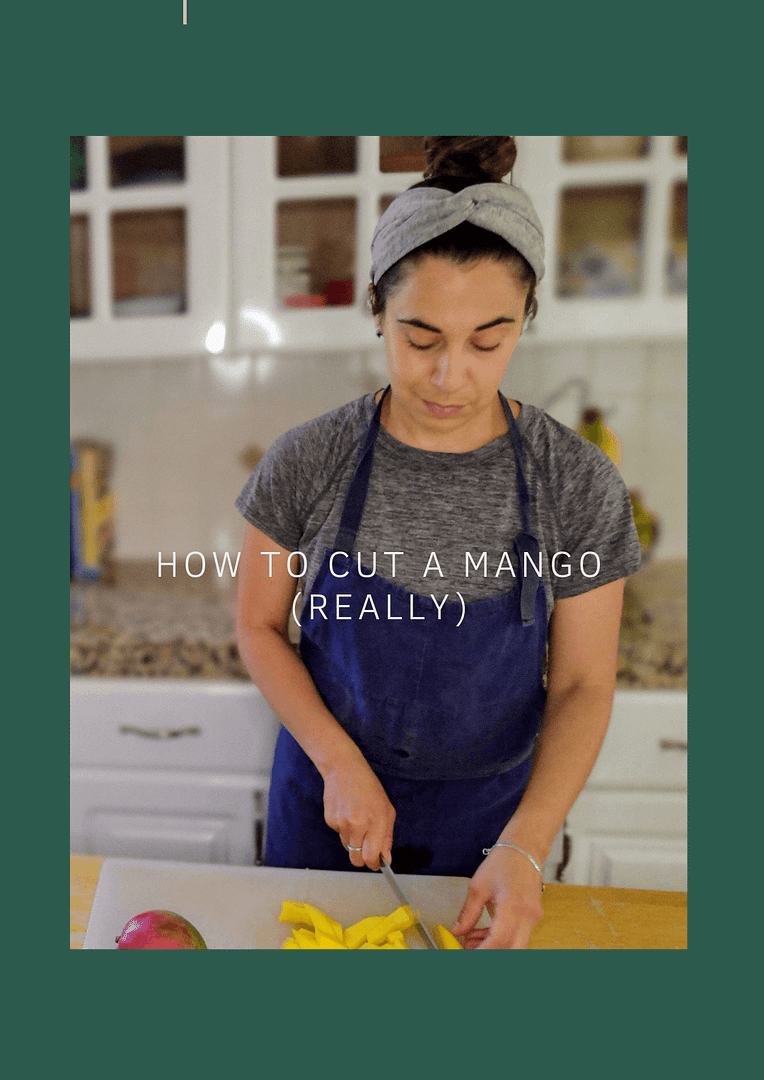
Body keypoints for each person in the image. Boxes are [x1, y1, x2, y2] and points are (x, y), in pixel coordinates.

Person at [234, 136, 642, 949]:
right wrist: (339, 762)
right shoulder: (309, 460)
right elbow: (256, 626)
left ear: (526, 319)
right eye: (421, 338)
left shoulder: (578, 483)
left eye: (487, 340)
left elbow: (585, 683)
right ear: (377, 313)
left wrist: (527, 843)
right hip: (324, 814)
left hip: (494, 832)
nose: (451, 374)